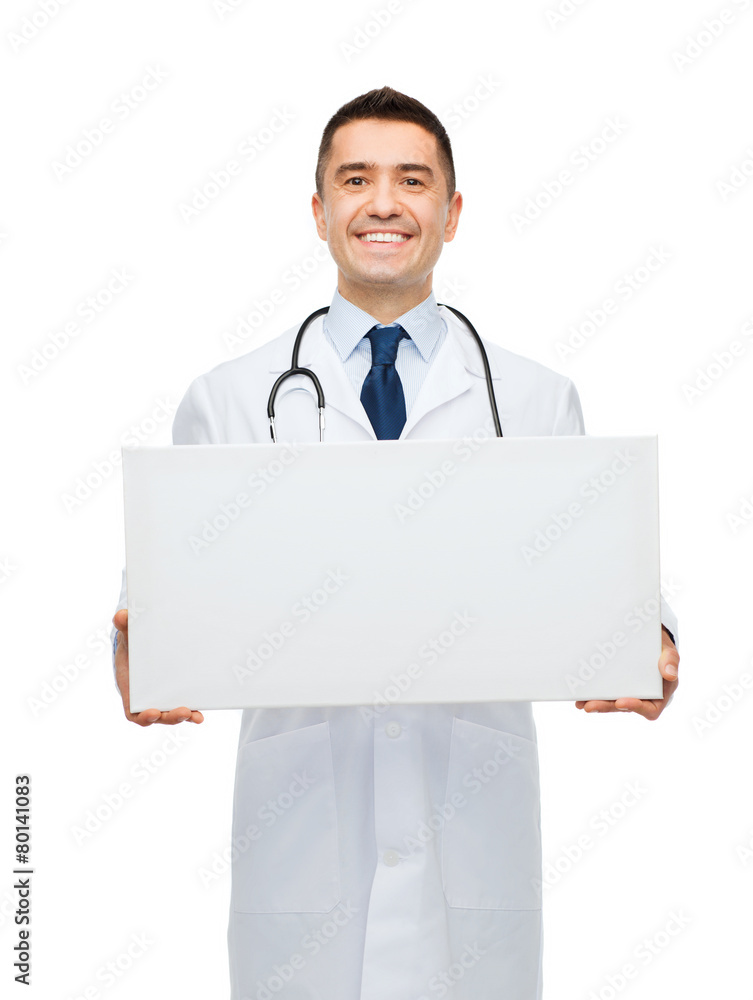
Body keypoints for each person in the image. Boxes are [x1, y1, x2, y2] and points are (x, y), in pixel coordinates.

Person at [111, 87, 680, 999]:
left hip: (471, 840)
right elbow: (158, 594)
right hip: (300, 841)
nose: (383, 203)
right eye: (355, 179)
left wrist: (650, 638)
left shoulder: (533, 400)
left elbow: (604, 573)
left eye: (412, 181)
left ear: (451, 214)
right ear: (319, 210)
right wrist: (138, 649)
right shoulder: (229, 399)